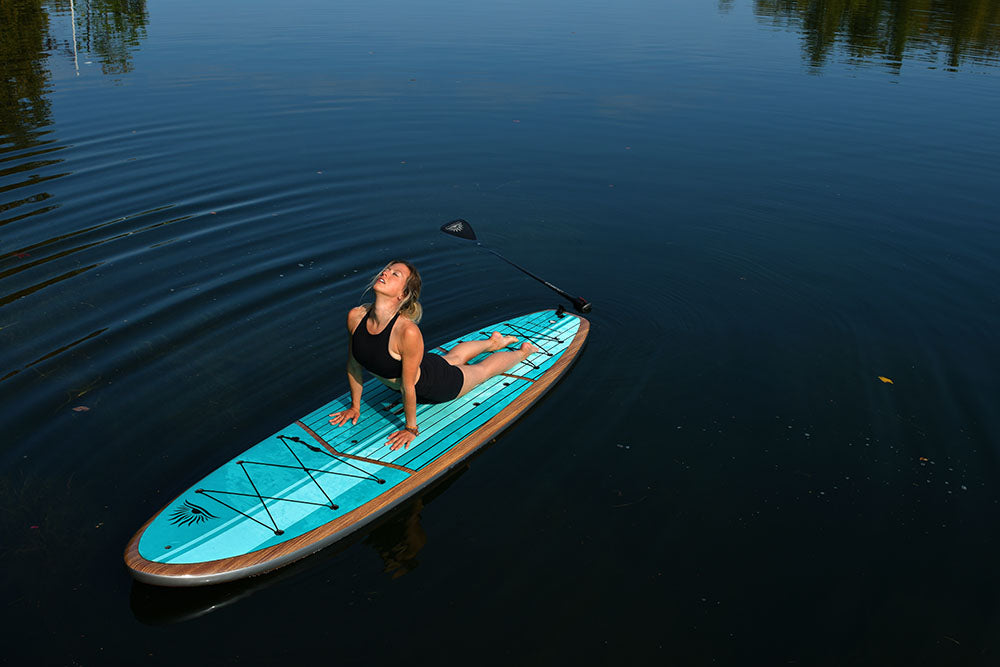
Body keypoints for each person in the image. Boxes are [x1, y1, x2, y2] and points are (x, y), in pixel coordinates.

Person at [328, 260, 537, 450]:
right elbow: (353, 365)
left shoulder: (406, 332)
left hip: (436, 386)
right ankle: (493, 342)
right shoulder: (356, 317)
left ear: (403, 294)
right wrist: (355, 407)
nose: (385, 273)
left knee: (482, 370)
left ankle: (521, 352)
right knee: (453, 359)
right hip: (424, 364)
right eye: (387, 270)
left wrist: (411, 428)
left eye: (395, 275)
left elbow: (408, 386)